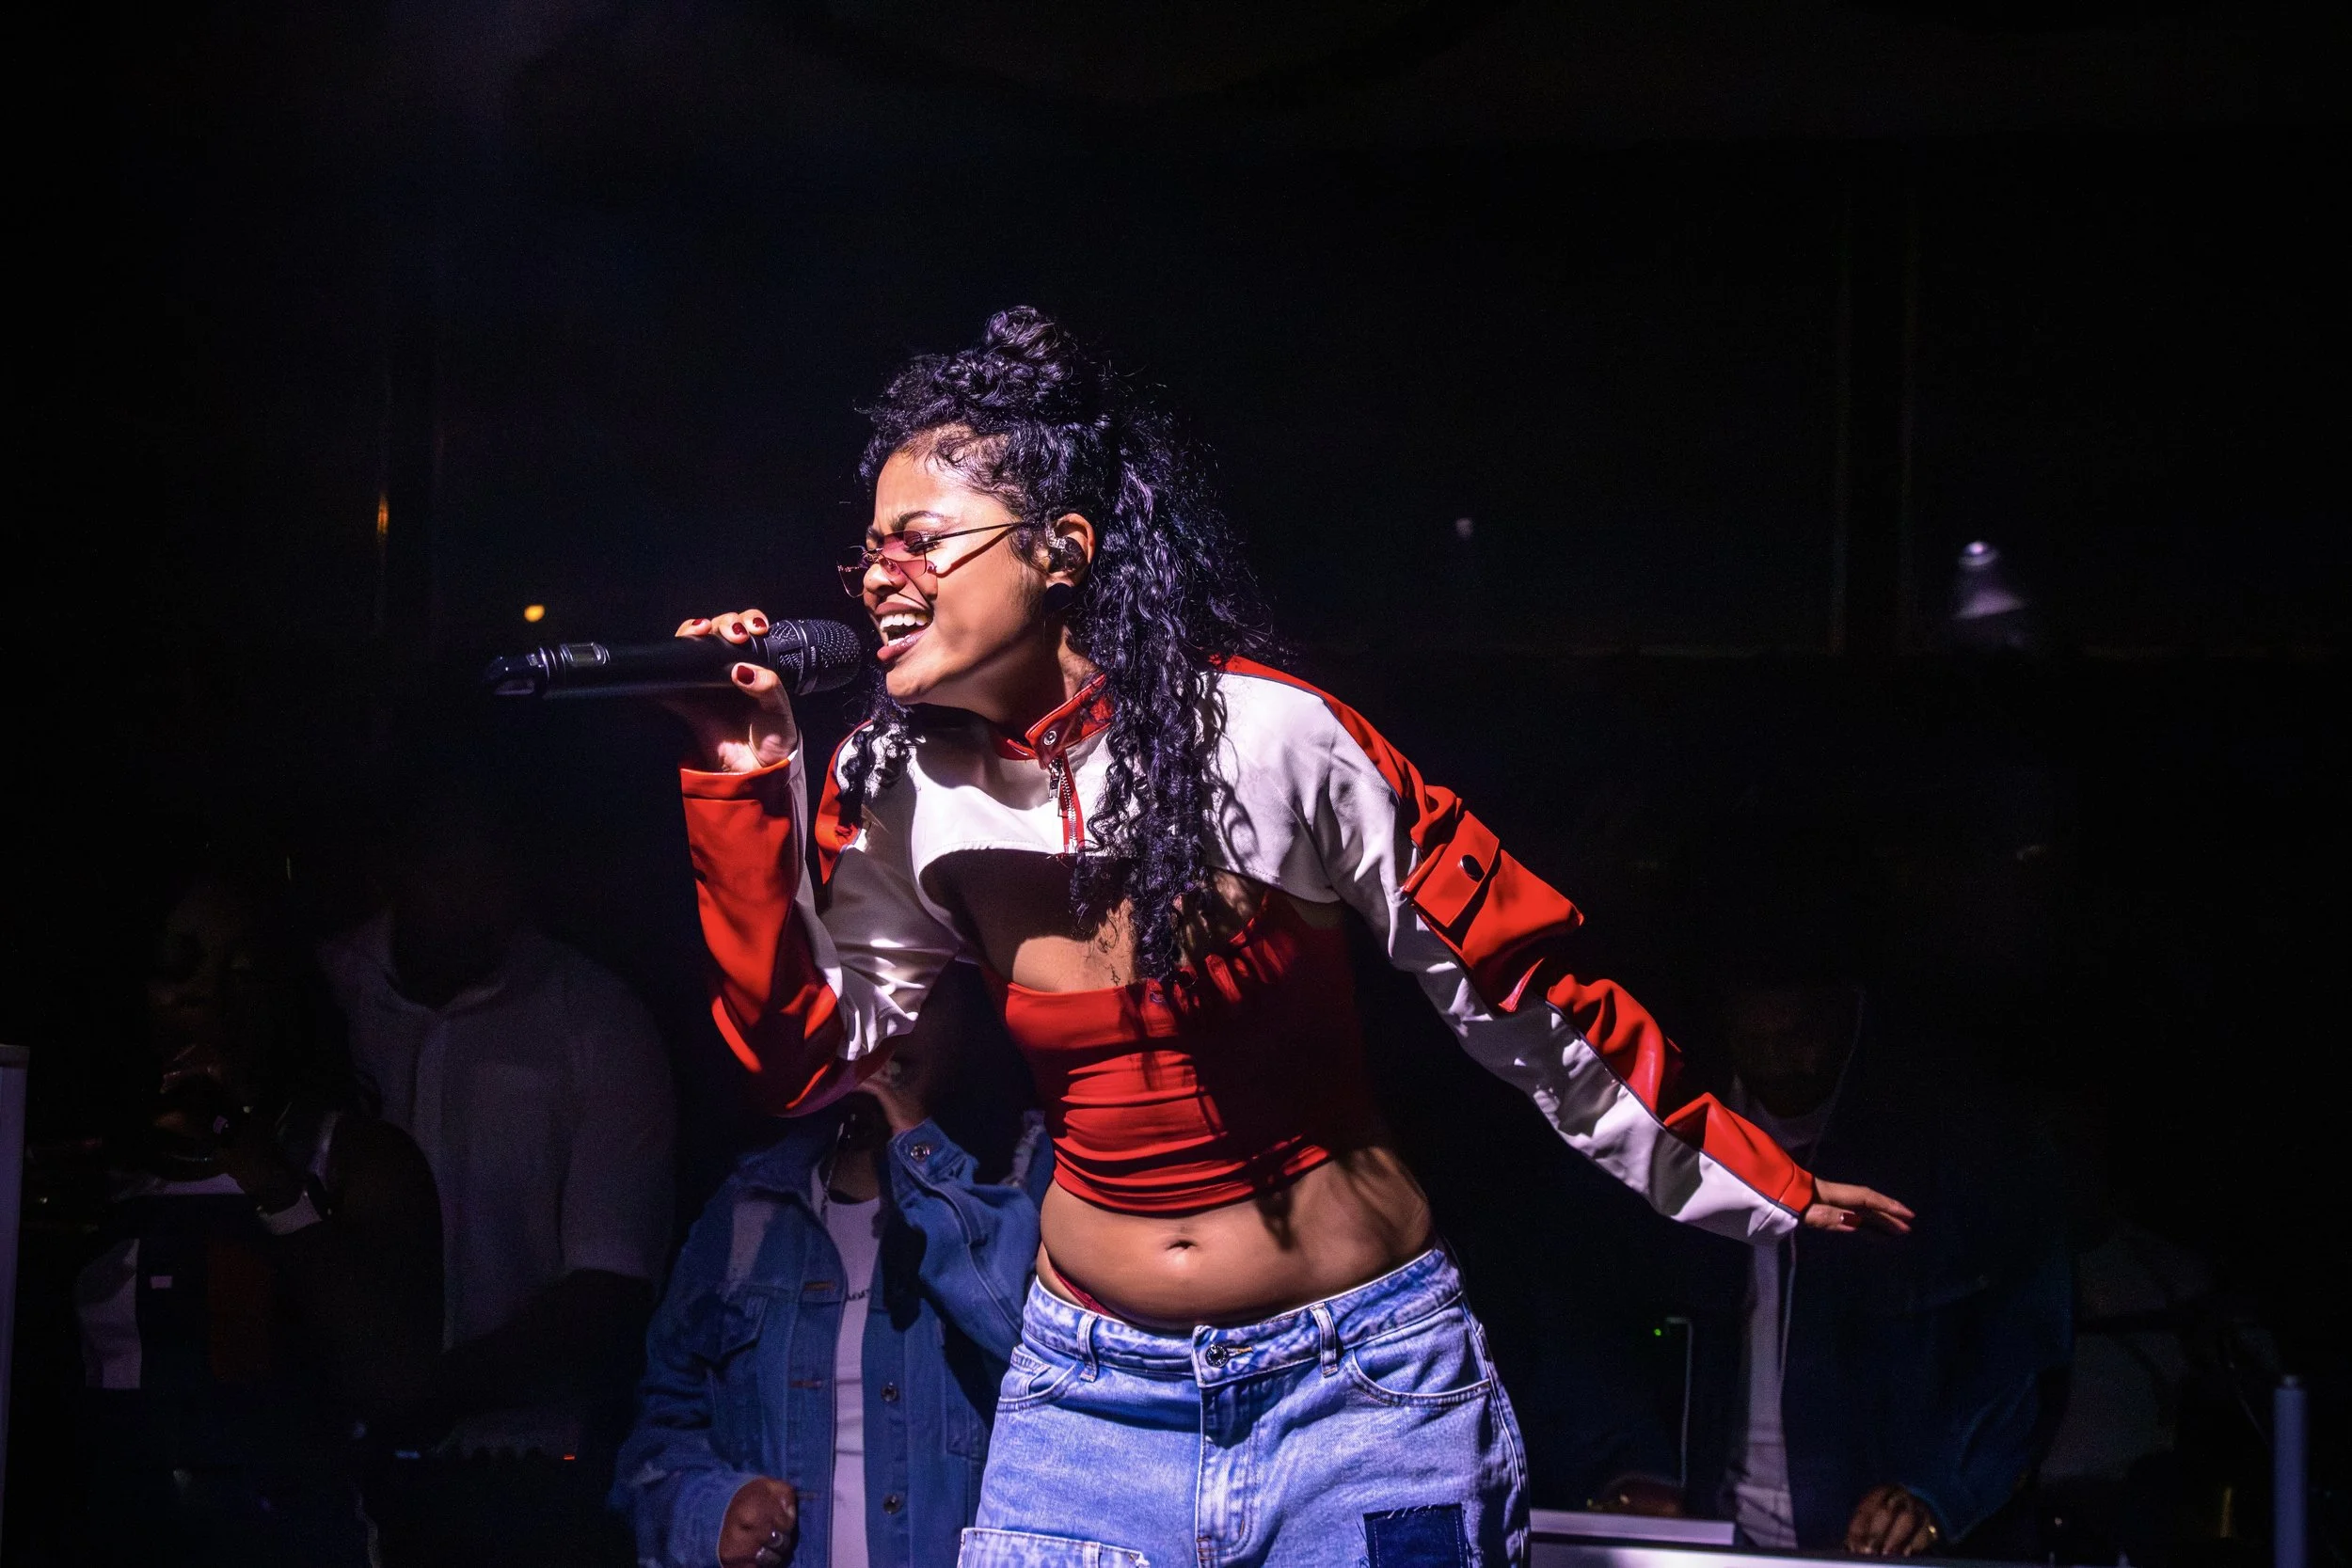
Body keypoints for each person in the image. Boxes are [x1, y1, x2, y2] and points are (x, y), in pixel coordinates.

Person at [664, 307, 1909, 1567]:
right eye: (868, 552)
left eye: (921, 539)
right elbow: (801, 1058)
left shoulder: (1271, 740)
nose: (881, 574)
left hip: (1358, 1384)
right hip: (1089, 1398)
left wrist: (1760, 1177)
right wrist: (737, 783)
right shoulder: (897, 787)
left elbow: (1519, 988)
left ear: (1061, 549)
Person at [317, 777, 675, 1562]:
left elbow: (609, 1287)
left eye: (496, 873)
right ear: (394, 868)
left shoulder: (596, 1021)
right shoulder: (325, 992)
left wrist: (419, 1397)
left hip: (519, 1471)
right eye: (450, 871)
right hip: (315, 1458)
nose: (477, 900)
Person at [613, 961, 1052, 1568]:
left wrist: (921, 1155)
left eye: (917, 992)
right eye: (863, 987)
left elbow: (1043, 1360)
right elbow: (659, 1432)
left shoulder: (1027, 1176)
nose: (888, 1023)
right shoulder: (753, 1206)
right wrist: (710, 1512)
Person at [74, 869, 443, 1568]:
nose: (206, 997)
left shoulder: (358, 1160)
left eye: (243, 972)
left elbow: (398, 1383)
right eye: (176, 968)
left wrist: (265, 1173)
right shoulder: (85, 1165)